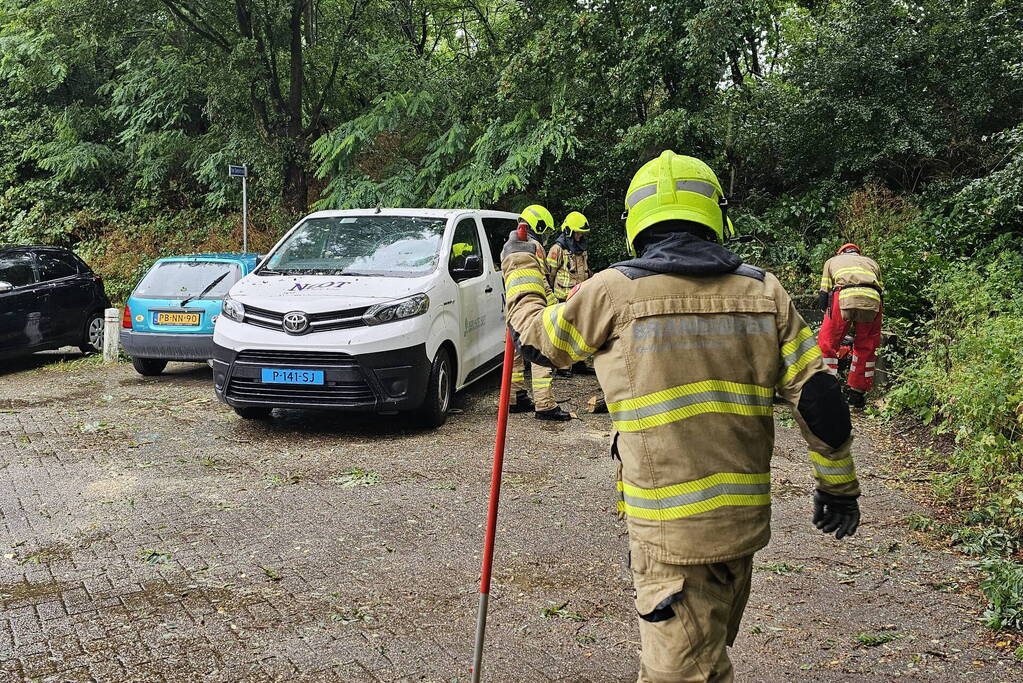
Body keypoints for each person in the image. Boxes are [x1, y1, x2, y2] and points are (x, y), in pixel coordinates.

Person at [501, 151, 861, 682]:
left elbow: (539, 338)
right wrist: (838, 487)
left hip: (670, 537)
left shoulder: (614, 291)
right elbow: (820, 399)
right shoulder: (764, 293)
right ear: (714, 215)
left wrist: (521, 268)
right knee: (707, 655)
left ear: (636, 222)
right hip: (742, 528)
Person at [506, 204, 572, 422]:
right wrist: (553, 304)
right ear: (539, 225)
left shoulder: (509, 245)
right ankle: (545, 405)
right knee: (540, 352)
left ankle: (515, 397)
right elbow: (542, 280)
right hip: (534, 307)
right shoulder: (535, 247)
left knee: (515, 354)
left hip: (513, 308)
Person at [816, 243, 883, 409]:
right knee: (867, 345)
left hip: (843, 295)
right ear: (858, 253)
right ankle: (857, 394)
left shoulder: (832, 261)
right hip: (873, 298)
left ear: (840, 253)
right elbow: (881, 290)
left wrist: (827, 313)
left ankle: (827, 390)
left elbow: (824, 294)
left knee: (828, 343)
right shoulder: (871, 262)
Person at [547, 211, 596, 376]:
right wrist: (551, 297)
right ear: (568, 230)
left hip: (580, 295)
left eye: (582, 232)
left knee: (580, 331)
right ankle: (562, 367)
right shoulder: (557, 249)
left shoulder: (582, 248)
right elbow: (549, 274)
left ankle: (579, 363)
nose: (580, 235)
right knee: (563, 332)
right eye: (577, 232)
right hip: (563, 297)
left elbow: (586, 270)